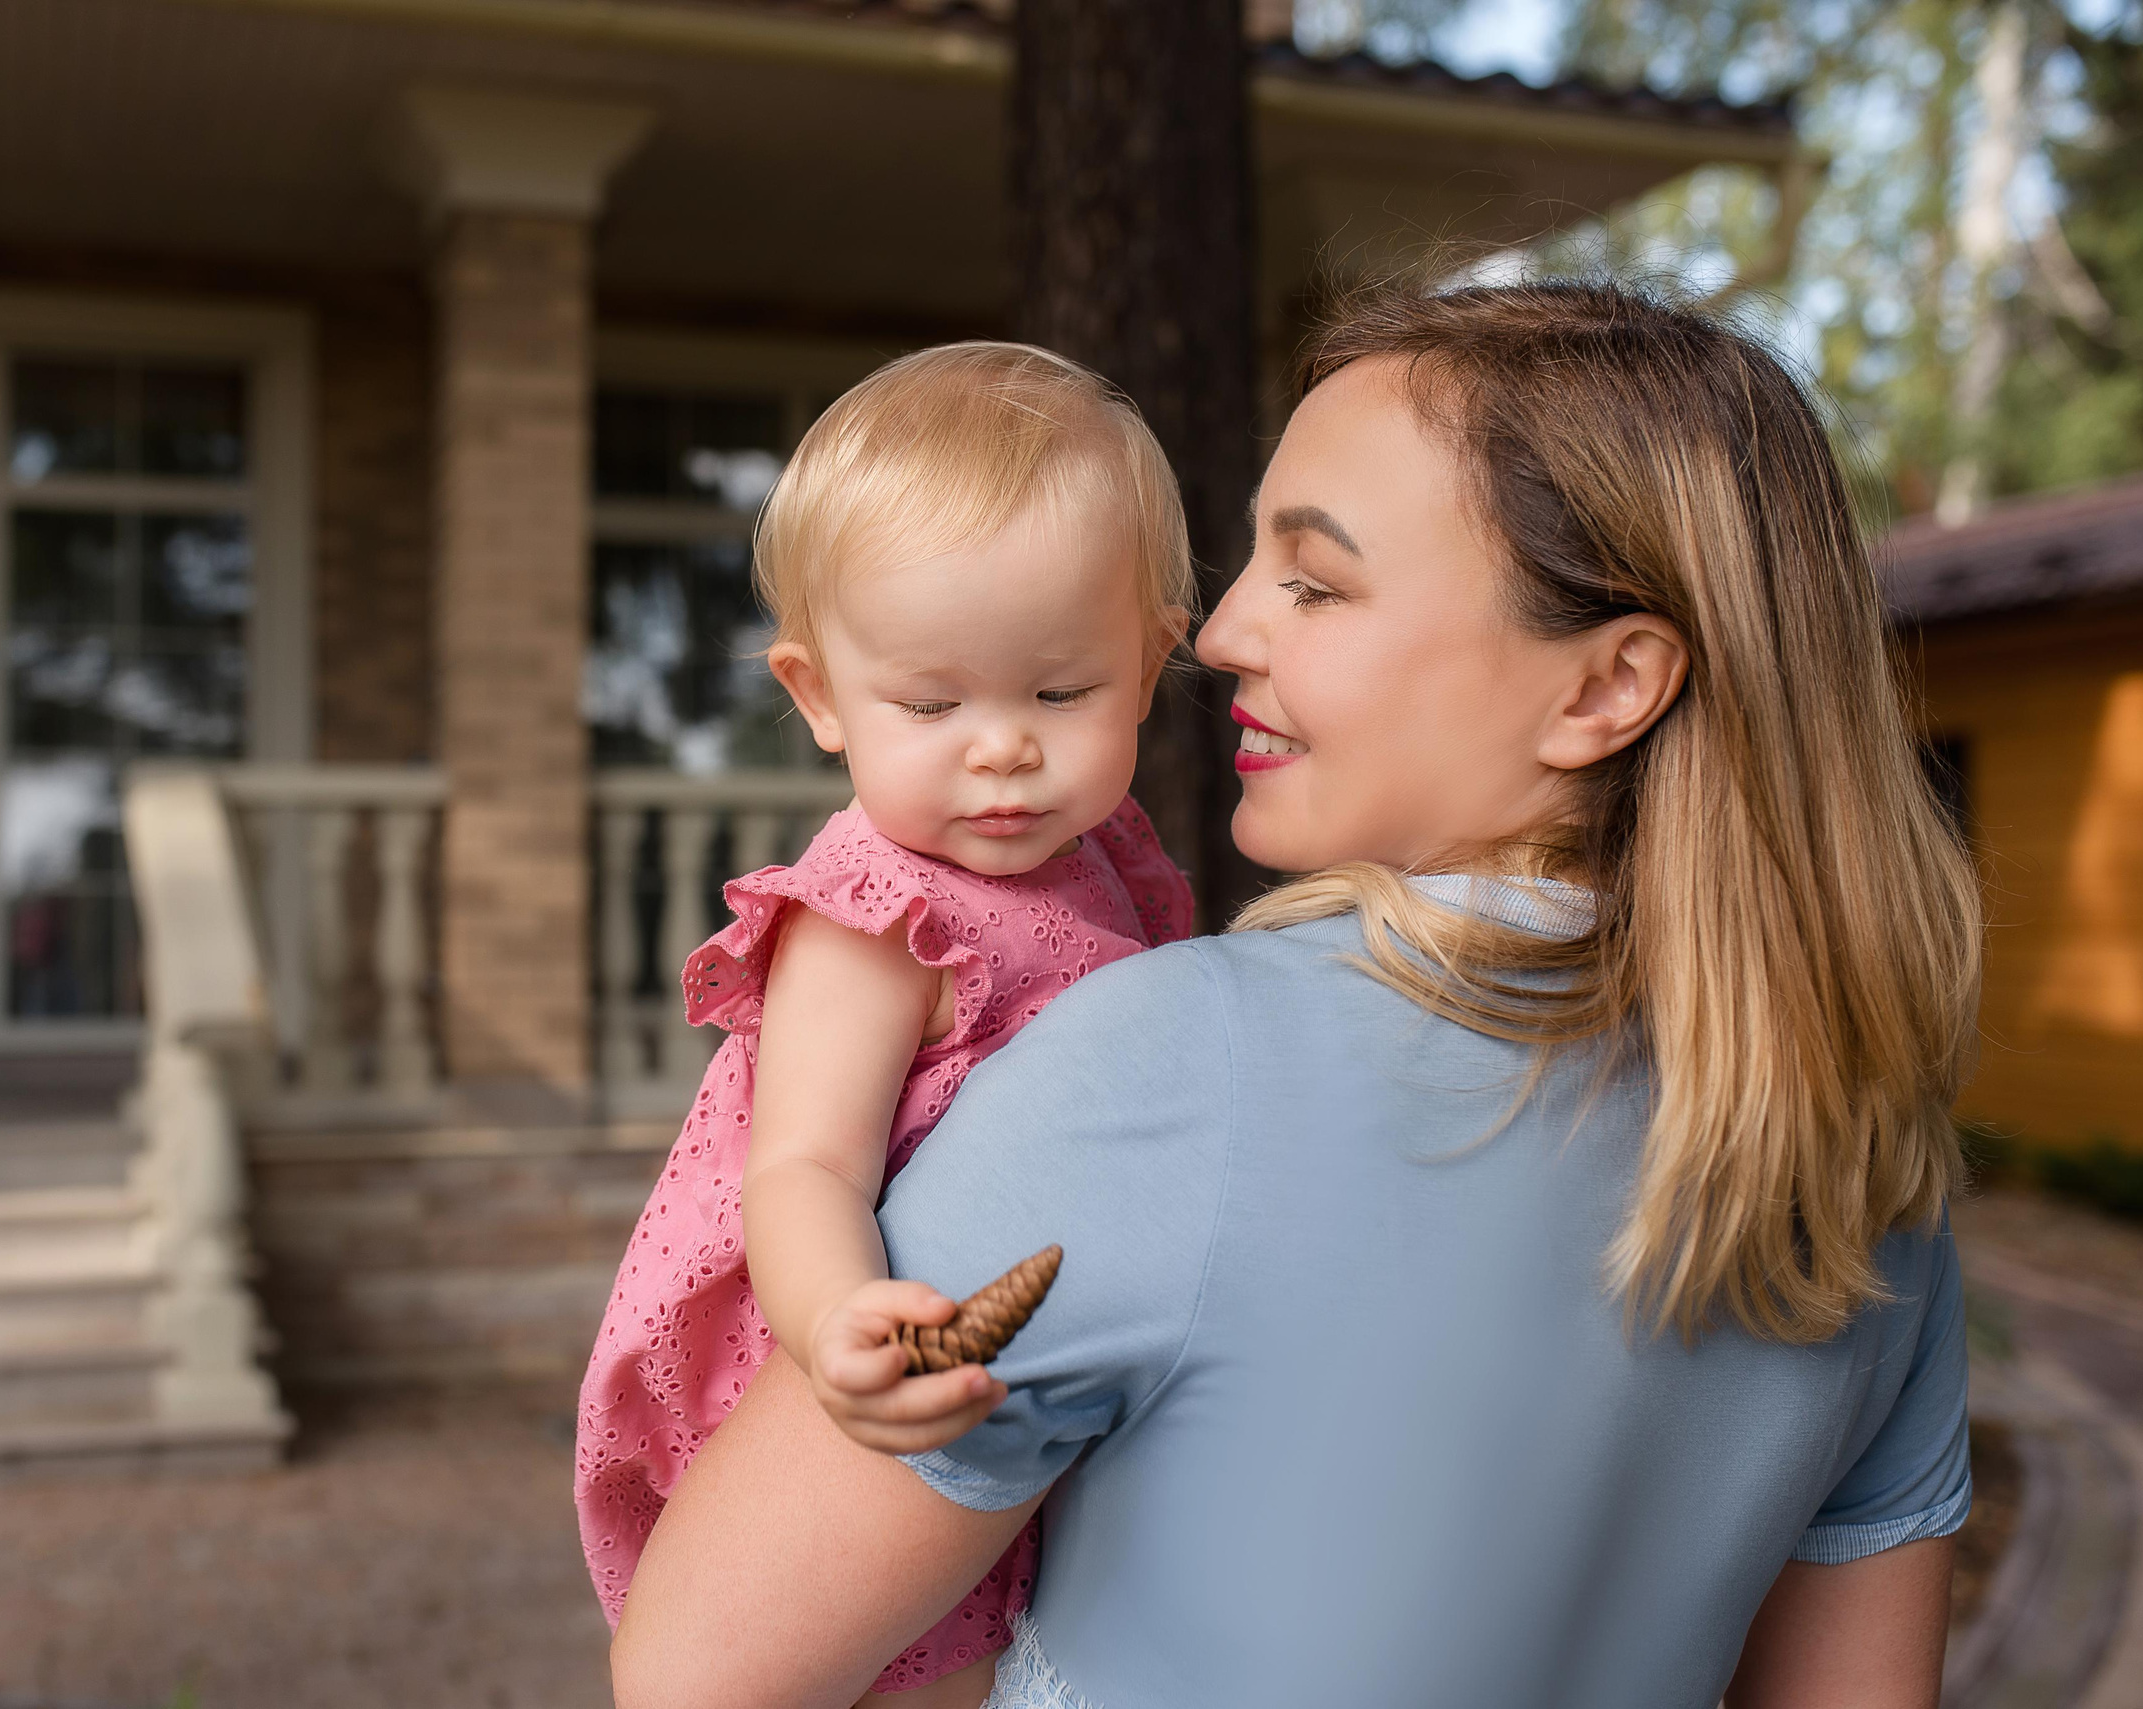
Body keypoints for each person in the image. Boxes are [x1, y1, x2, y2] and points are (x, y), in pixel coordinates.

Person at [608, 280, 1985, 1709]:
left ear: (1604, 689)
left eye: (1315, 583)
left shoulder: (1170, 1064)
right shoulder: (1862, 1148)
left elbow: (701, 1672)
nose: (1218, 635)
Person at [575, 341, 1198, 1704]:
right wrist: (838, 1321)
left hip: (1031, 1351)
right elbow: (802, 1164)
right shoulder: (875, 918)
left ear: (1151, 663)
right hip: (870, 1365)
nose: (1002, 746)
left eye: (1062, 691)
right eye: (929, 703)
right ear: (818, 697)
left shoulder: (1101, 856)